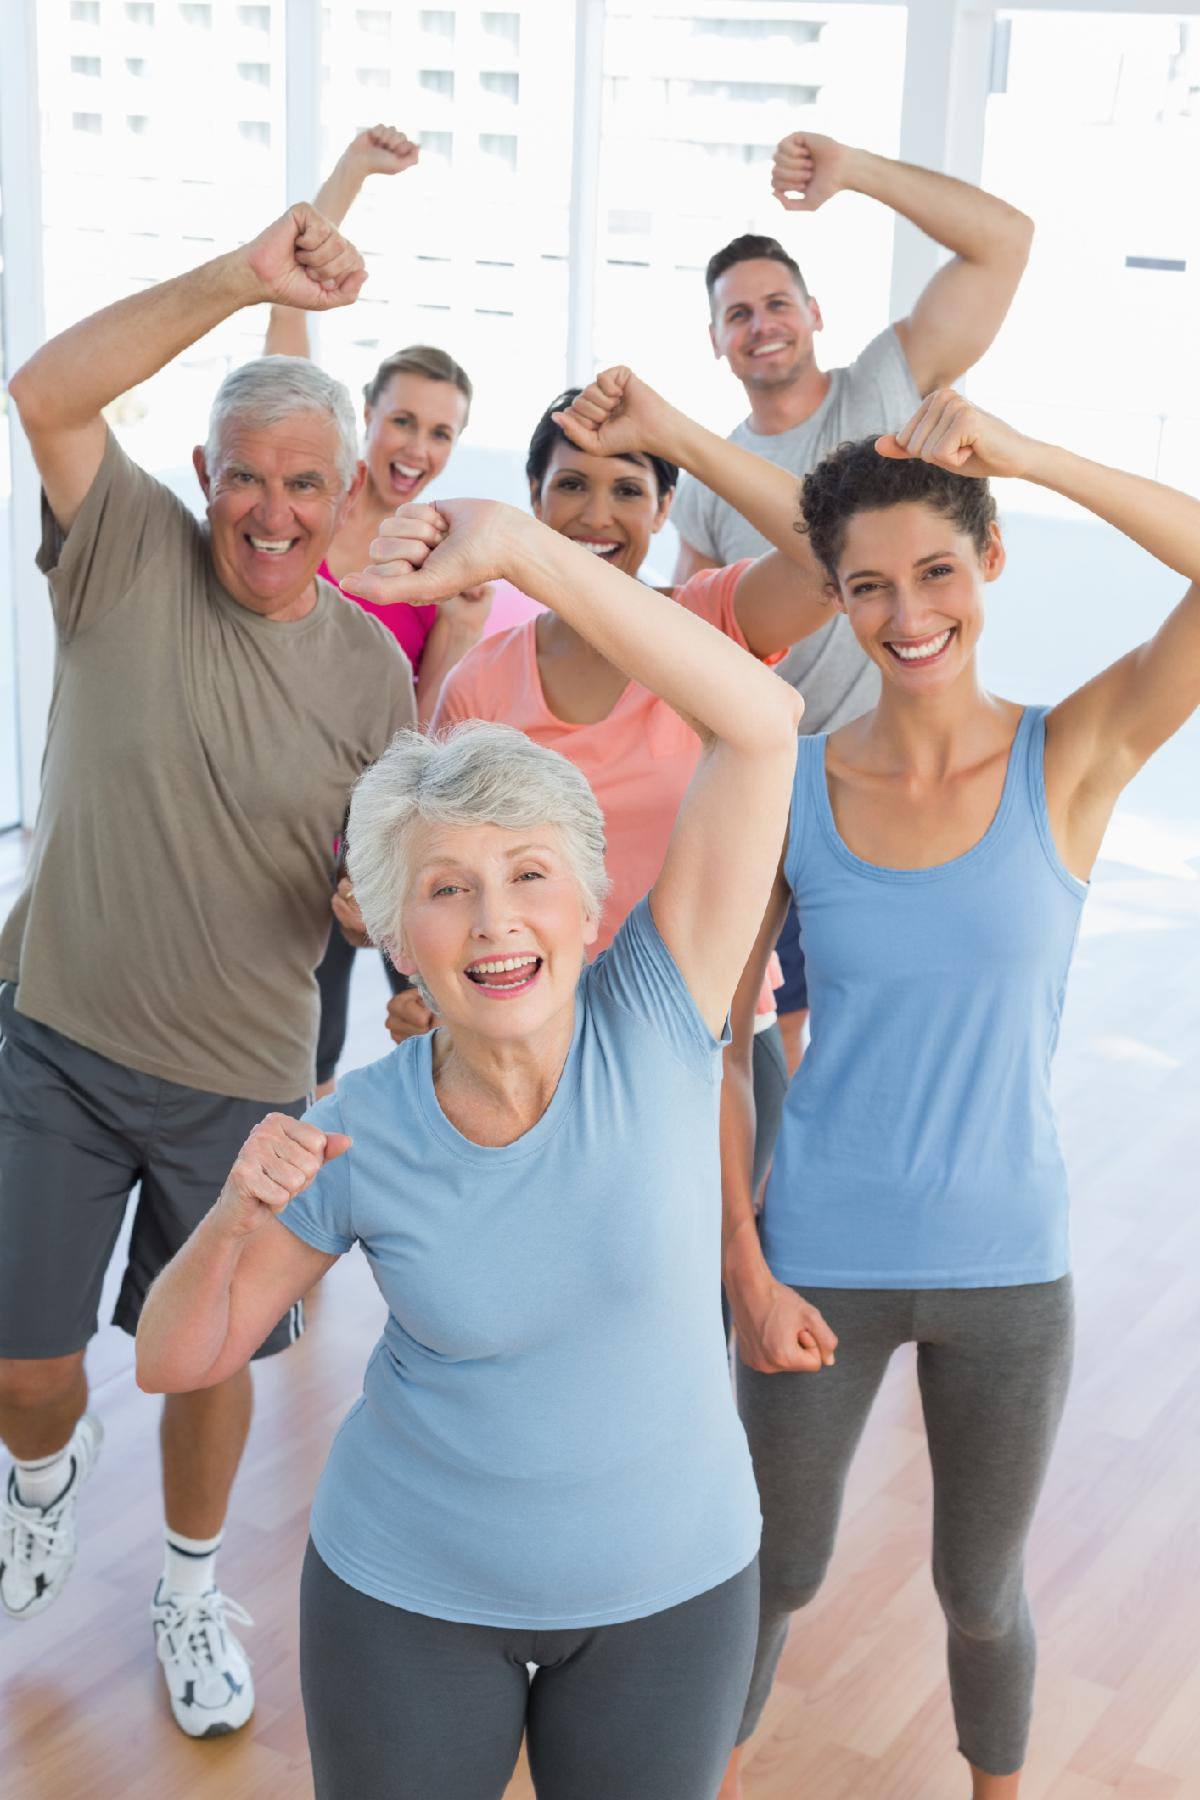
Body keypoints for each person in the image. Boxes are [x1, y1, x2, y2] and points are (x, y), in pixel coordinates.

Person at [134, 482, 814, 1800]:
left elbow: (765, 717)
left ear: (586, 895)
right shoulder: (354, 1133)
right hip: (408, 1597)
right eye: (447, 889)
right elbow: (180, 1355)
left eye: (529, 874)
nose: (496, 920)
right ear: (400, 927)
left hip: (673, 1592)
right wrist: (231, 1212)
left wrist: (519, 551)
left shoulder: (663, 1006)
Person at [718, 390, 1200, 1800]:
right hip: (813, 1264)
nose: (905, 612)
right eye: (867, 585)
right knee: (774, 1574)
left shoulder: (1073, 755)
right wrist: (743, 1267)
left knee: (981, 1592)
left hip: (1005, 1268)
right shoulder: (788, 786)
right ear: (838, 606)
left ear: (989, 560)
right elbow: (713, 1041)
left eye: (935, 570)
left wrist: (1038, 453)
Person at [0, 205, 415, 1738]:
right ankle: (41, 1479)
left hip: (238, 1093)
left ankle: (187, 1585)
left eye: (307, 481)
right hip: (55, 1043)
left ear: (348, 492)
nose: (272, 507)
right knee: (25, 1371)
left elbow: (377, 884)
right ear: (203, 481)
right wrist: (243, 279)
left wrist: (379, 924)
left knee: (206, 1369)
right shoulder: (121, 554)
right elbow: (45, 390)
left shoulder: (375, 671)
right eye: (245, 474)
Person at [396, 376, 834, 1189]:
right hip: (538, 1053)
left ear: (665, 508)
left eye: (629, 488)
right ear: (532, 497)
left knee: (698, 1312)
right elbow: (448, 877)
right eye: (571, 484)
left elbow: (834, 556)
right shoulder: (482, 686)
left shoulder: (711, 628)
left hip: (716, 1046)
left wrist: (677, 433)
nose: (597, 515)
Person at [676, 129, 1034, 1073]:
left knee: (889, 1019)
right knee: (761, 1027)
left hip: (896, 766)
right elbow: (696, 641)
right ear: (716, 342)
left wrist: (857, 173)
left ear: (814, 312)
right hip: (780, 787)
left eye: (778, 302)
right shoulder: (710, 479)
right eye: (738, 315)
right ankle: (760, 1205)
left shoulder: (882, 384)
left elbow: (1005, 241)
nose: (762, 324)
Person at [264, 124, 491, 1093]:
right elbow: (283, 322)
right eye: (403, 419)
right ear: (366, 413)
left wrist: (467, 626)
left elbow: (418, 723)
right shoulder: (304, 493)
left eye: (441, 432)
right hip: (265, 801)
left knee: (421, 1013)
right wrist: (350, 173)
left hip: (361, 822)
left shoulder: (437, 551)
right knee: (280, 1035)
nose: (418, 446)